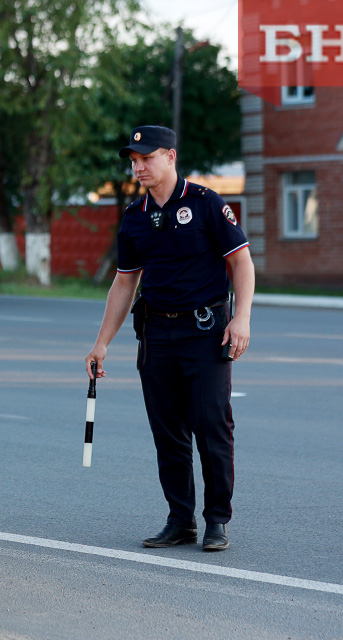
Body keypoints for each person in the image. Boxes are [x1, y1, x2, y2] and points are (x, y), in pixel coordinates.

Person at [84, 125, 254, 552]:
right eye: (134, 160)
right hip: (157, 334)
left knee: (212, 428)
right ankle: (181, 520)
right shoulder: (135, 218)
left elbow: (242, 262)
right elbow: (125, 284)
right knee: (168, 432)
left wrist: (242, 319)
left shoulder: (205, 203)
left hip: (204, 333)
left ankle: (216, 520)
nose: (139, 167)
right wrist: (102, 342)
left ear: (171, 157)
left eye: (148, 158)